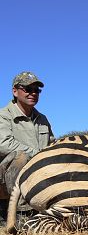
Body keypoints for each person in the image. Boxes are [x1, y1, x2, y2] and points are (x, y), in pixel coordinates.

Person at [0, 71, 54, 219]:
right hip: (6, 176)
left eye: (37, 90)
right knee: (21, 157)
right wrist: (38, 155)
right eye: (28, 89)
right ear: (15, 91)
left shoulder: (42, 119)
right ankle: (21, 213)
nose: (33, 93)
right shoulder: (3, 115)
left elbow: (51, 144)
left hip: (36, 172)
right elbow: (3, 144)